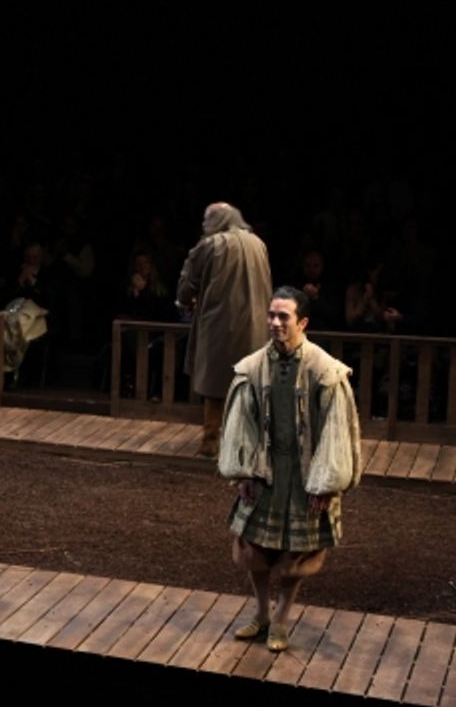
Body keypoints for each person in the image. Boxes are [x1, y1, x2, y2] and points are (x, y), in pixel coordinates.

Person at [219, 286, 361, 652]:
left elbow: (335, 430)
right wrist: (244, 471)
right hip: (267, 471)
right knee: (254, 548)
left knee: (297, 554)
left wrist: (325, 483)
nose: (275, 322)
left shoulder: (324, 370)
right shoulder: (253, 367)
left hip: (305, 474)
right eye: (271, 315)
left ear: (303, 322)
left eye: (284, 316)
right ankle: (262, 614)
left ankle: (281, 620)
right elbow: (242, 424)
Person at [176, 202, 272, 457]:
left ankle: (210, 442)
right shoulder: (258, 244)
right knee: (249, 383)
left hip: (220, 323)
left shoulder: (210, 245)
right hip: (256, 324)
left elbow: (187, 286)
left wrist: (184, 301)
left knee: (215, 384)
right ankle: (248, 444)